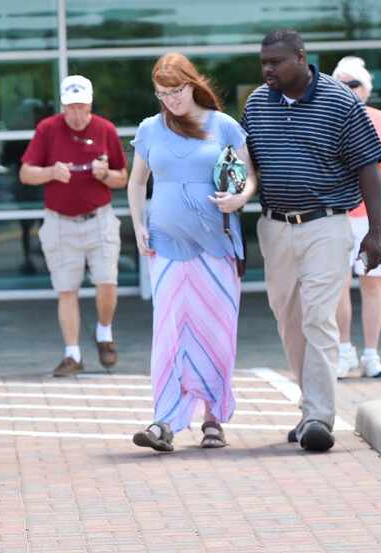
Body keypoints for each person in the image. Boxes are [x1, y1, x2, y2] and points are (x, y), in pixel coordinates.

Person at [241, 29, 381, 452]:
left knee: (318, 317)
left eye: (276, 62)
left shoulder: (339, 100)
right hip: (274, 226)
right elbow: (245, 167)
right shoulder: (256, 103)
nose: (267, 69)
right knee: (288, 319)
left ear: (301, 58)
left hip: (326, 224)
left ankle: (320, 416)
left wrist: (375, 233)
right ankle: (309, 409)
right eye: (263, 62)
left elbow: (368, 168)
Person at [127, 53, 257, 451]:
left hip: (216, 247)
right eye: (163, 94)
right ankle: (163, 422)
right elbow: (136, 183)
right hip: (166, 248)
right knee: (168, 334)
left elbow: (251, 175)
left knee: (216, 332)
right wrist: (138, 226)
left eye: (177, 91)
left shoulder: (223, 125)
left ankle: (213, 419)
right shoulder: (150, 129)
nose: (172, 100)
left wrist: (241, 200)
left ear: (193, 83)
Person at [19, 75, 129, 377]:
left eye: (81, 107)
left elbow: (123, 178)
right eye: (70, 108)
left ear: (90, 104)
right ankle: (72, 354)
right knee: (67, 290)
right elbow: (26, 174)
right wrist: (51, 172)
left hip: (99, 219)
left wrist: (105, 175)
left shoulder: (105, 129)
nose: (76, 115)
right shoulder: (48, 129)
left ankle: (104, 332)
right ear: (63, 107)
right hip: (60, 222)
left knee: (107, 282)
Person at [332, 56, 381, 379]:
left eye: (354, 84)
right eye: (341, 83)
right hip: (336, 214)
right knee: (337, 287)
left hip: (374, 216)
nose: (349, 89)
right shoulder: (329, 118)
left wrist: (378, 148)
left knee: (374, 285)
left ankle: (371, 355)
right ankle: (344, 351)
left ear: (366, 89)